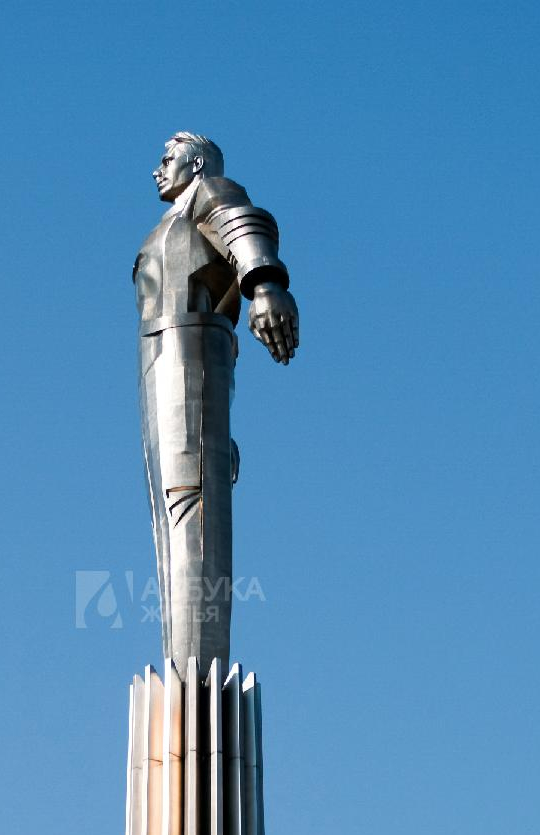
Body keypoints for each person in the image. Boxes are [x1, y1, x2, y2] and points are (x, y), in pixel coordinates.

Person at [134, 132, 299, 674]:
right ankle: (180, 669)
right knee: (168, 508)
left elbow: (239, 220)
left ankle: (196, 674)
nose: (157, 169)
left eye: (168, 158)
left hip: (190, 354)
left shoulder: (207, 193)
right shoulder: (170, 223)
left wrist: (265, 285)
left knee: (190, 498)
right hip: (157, 362)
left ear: (197, 163)